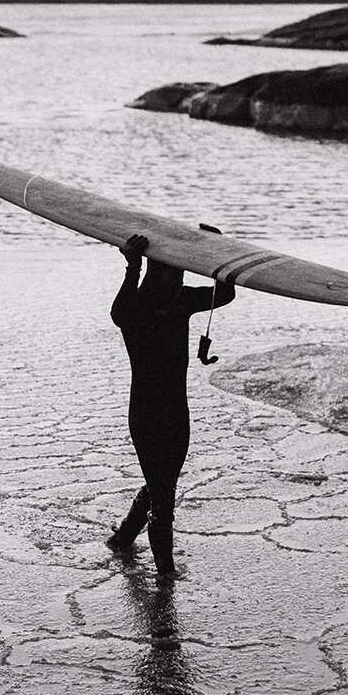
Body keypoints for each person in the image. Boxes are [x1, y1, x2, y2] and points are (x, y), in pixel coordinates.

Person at [107, 233, 235, 576]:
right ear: (150, 271)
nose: (175, 279)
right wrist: (130, 268)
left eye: (179, 273)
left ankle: (122, 539)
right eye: (169, 273)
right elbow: (118, 313)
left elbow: (225, 293)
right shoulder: (134, 308)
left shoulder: (181, 300)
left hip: (178, 413)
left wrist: (214, 249)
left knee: (162, 484)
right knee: (164, 503)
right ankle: (165, 577)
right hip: (147, 414)